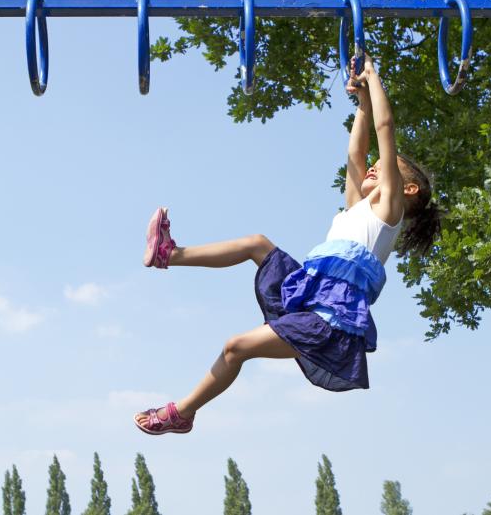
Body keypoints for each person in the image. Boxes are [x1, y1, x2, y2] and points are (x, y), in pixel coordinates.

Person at [134, 54, 442, 435]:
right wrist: (361, 102)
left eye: (387, 165)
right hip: (307, 292)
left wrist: (374, 77)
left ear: (405, 187)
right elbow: (355, 155)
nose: (376, 165)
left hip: (328, 320)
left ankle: (182, 412)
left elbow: (386, 126)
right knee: (256, 244)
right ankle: (168, 254)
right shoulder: (356, 209)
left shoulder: (388, 212)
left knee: (235, 347)